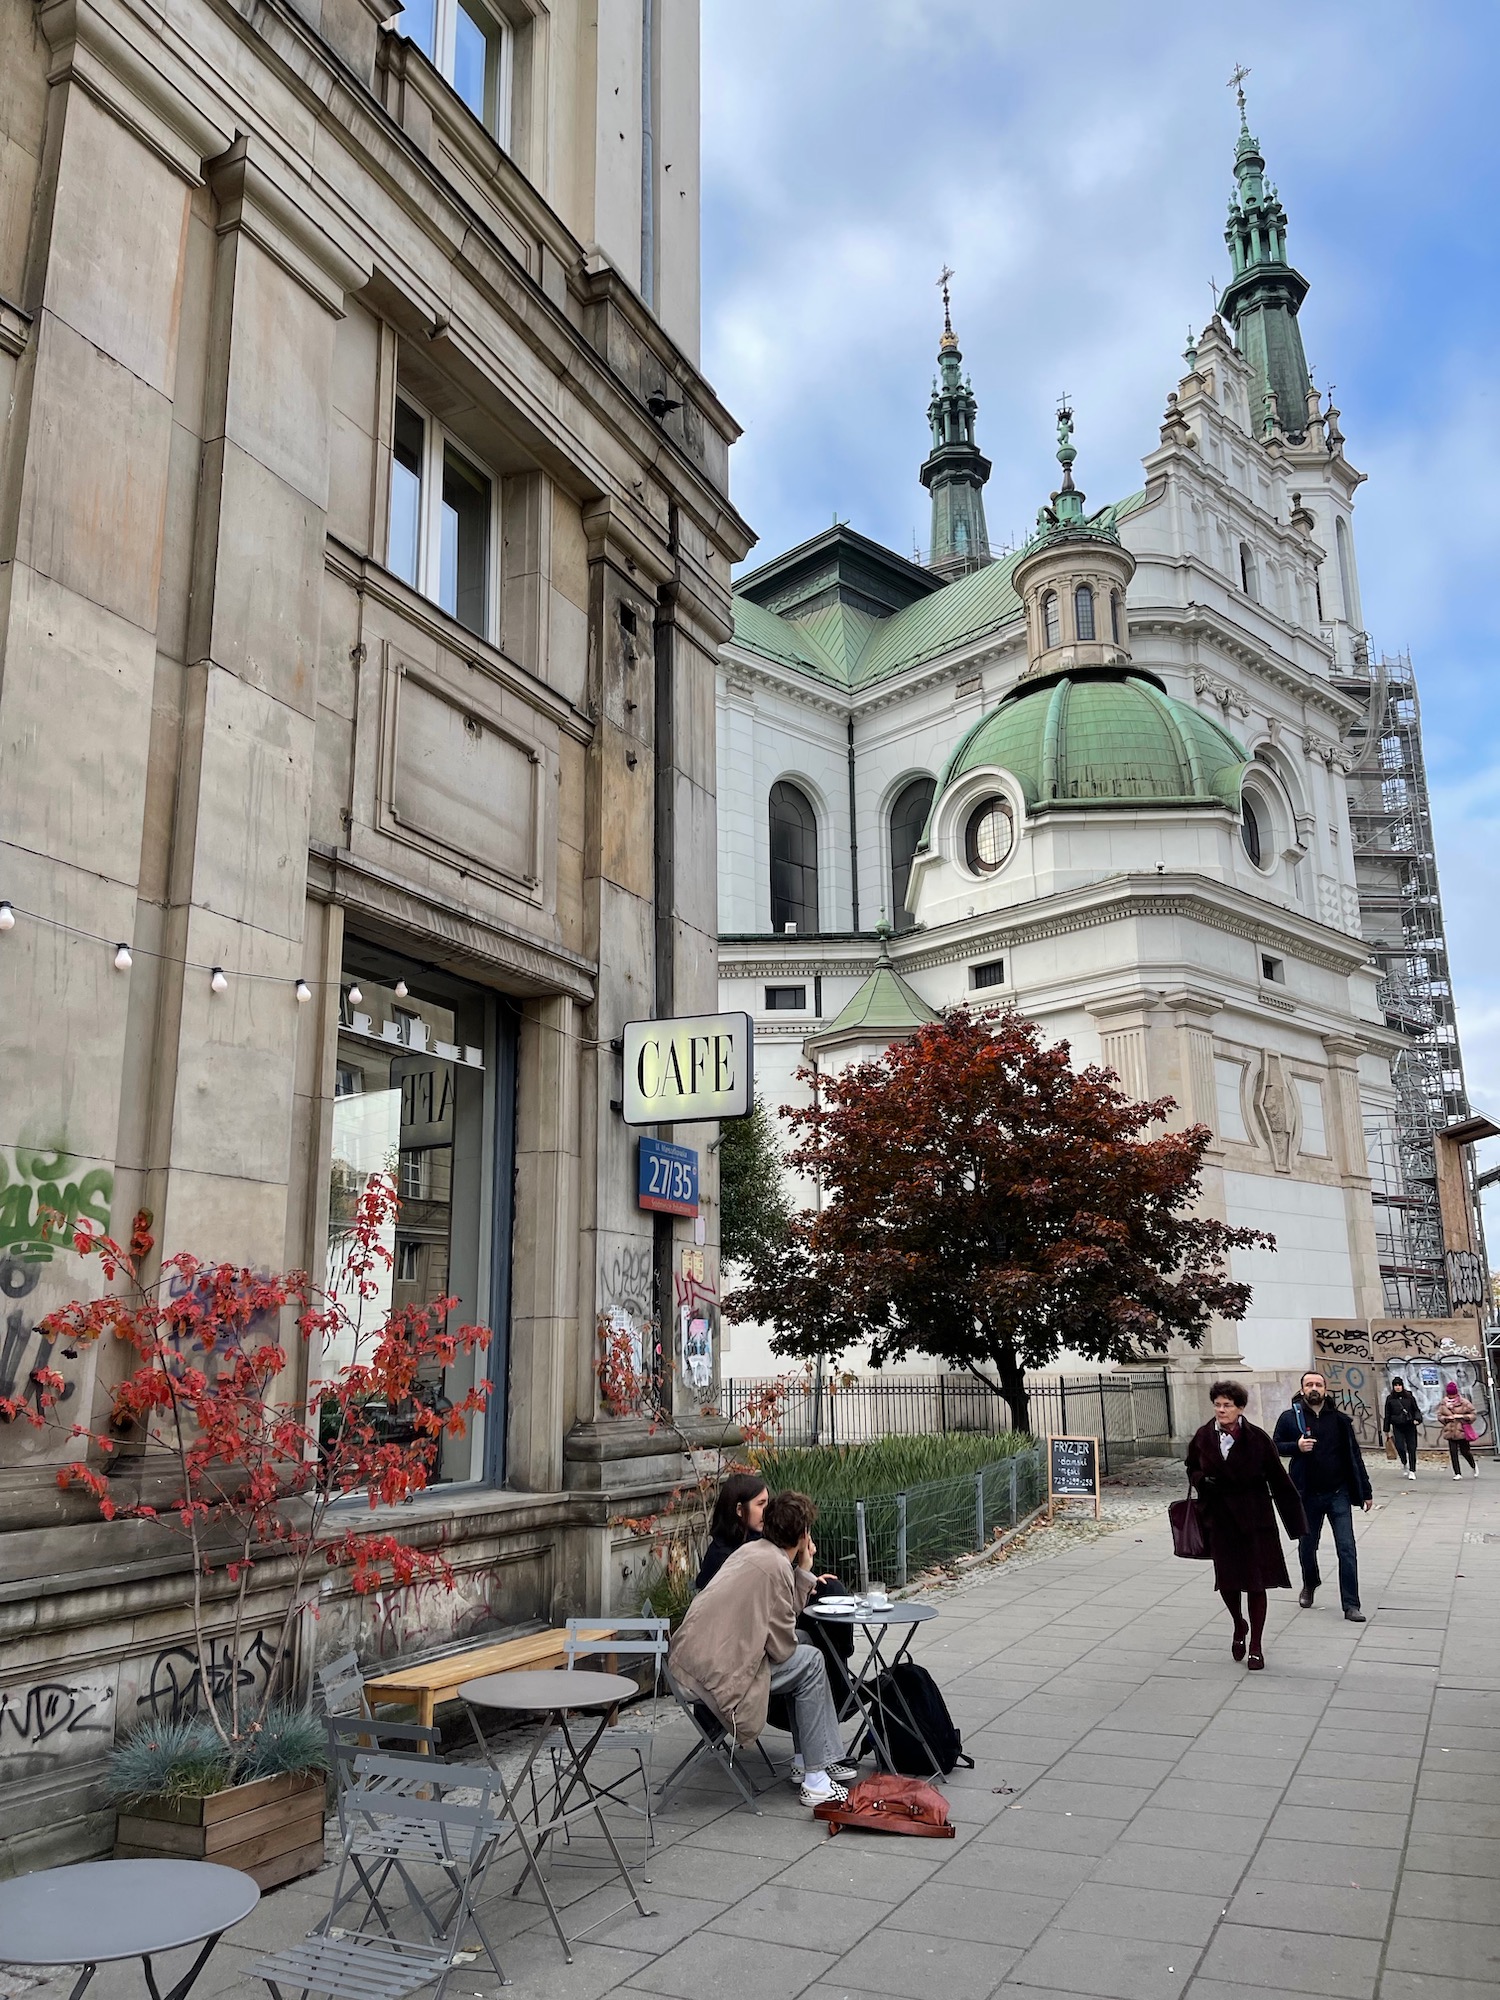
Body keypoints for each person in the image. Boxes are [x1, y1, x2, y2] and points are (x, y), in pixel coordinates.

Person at [668, 1489, 856, 1808]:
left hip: (691, 1663)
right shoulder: (775, 1568)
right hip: (716, 1677)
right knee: (810, 1661)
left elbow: (778, 1619)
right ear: (801, 1534)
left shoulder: (754, 1552)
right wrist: (804, 1569)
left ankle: (809, 1758)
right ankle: (815, 1780)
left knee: (808, 1647)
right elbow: (782, 1648)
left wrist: (802, 1572)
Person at [1186, 1380, 1306, 1672]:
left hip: (1254, 1518)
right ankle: (1239, 1624)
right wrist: (1202, 1480)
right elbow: (1191, 1466)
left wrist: (1297, 1524)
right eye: (1217, 1404)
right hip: (1220, 1518)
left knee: (1256, 1583)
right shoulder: (1203, 1436)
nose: (1221, 1410)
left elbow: (1279, 1479)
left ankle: (1256, 1645)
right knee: (1227, 1581)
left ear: (1240, 1408)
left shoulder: (1258, 1439)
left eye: (1227, 1405)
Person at [1273, 1370, 1373, 1621]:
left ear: (1325, 1389)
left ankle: (1351, 1604)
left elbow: (1354, 1457)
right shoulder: (1290, 1418)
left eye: (1318, 1384)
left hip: (1338, 1492)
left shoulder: (1339, 1420)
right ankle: (1310, 1582)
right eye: (1309, 1385)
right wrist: (1295, 1447)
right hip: (1307, 1495)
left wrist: (1366, 1491)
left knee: (1347, 1548)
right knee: (1307, 1546)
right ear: (1302, 1389)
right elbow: (1274, 1446)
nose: (1314, 1388)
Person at [694, 1472, 768, 1589]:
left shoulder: (765, 1540)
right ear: (739, 1509)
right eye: (761, 1504)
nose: (767, 1510)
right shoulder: (722, 1556)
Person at [1436, 1381, 1480, 1479]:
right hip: (1450, 1430)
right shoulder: (1443, 1404)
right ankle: (1457, 1473)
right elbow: (1439, 1416)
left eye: (1453, 1395)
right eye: (1450, 1395)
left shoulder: (1464, 1402)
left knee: (1465, 1451)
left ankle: (1473, 1465)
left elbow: (1473, 1414)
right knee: (1453, 1452)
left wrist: (1462, 1416)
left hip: (1462, 1430)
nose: (1451, 1397)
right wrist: (1446, 1419)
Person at [1383, 1377, 1422, 1480]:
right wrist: (1386, 1429)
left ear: (1402, 1385)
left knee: (1412, 1448)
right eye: (1396, 1385)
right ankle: (1404, 1462)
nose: (1398, 1387)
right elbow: (1387, 1414)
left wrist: (1417, 1419)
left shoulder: (1409, 1397)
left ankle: (1412, 1470)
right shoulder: (1390, 1399)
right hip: (1397, 1426)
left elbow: (1416, 1410)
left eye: (1399, 1385)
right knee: (1400, 1446)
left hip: (1410, 1425)